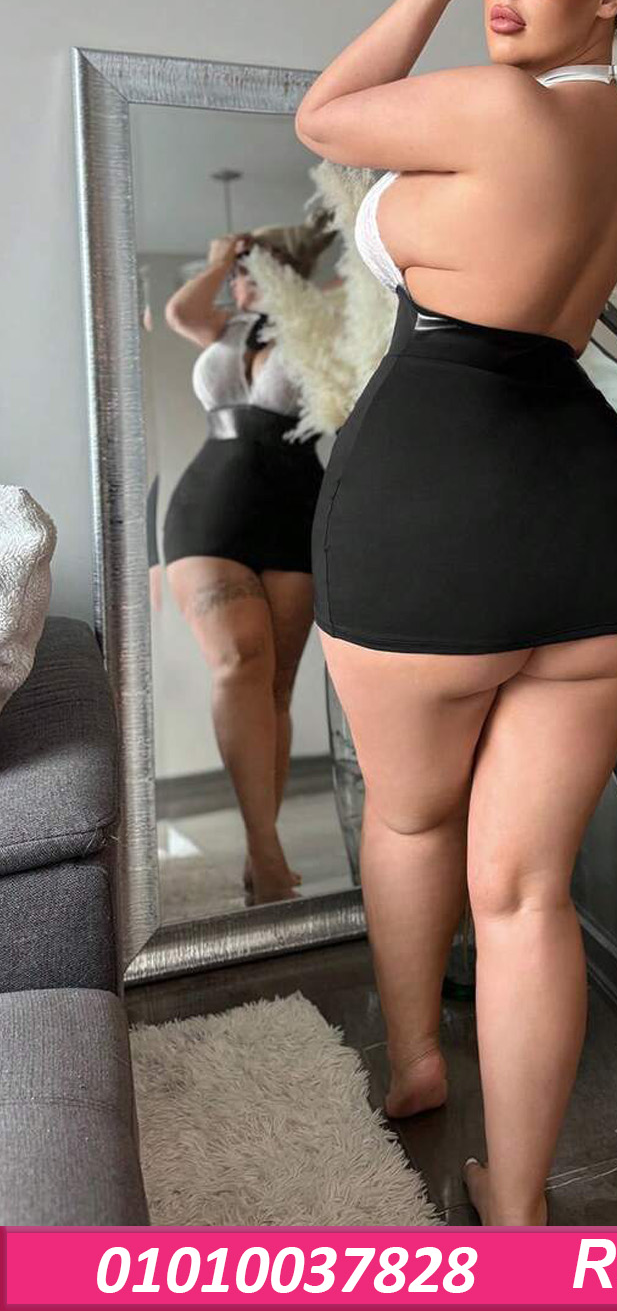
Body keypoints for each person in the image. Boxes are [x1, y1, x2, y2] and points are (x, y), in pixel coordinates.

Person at [294, 0, 617, 1226]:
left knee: (413, 817)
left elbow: (325, 116)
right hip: (602, 533)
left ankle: (415, 1063)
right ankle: (518, 1208)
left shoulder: (500, 107)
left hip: (433, 521)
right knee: (525, 893)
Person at [161, 215, 335, 905]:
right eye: (234, 274)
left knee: (276, 686)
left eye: (247, 272)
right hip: (211, 506)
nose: (236, 284)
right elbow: (180, 311)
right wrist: (224, 255)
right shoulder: (223, 330)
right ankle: (265, 852)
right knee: (238, 662)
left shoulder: (317, 323)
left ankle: (265, 851)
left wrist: (291, 278)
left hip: (296, 505)